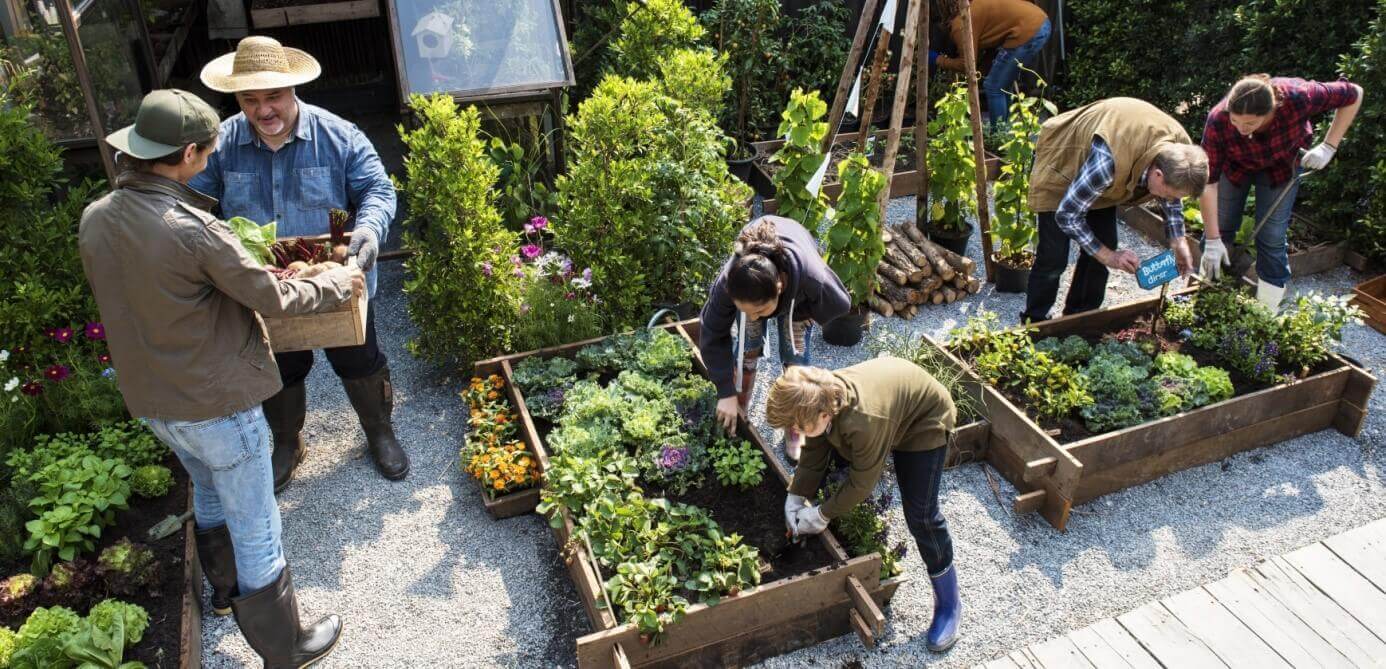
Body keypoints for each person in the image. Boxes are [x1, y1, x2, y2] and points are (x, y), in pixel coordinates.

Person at [79, 89, 356, 667]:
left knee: (206, 489)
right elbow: (273, 295)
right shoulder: (191, 228)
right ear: (185, 155)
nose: (212, 155)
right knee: (257, 521)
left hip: (156, 402)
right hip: (217, 403)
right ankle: (287, 646)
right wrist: (337, 283)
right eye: (206, 150)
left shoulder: (97, 217)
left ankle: (225, 594)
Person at [190, 36, 407, 488]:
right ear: (237, 99)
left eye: (273, 97)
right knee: (278, 367)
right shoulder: (221, 144)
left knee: (359, 359)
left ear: (292, 90)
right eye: (250, 100)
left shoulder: (338, 135)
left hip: (334, 275)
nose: (263, 110)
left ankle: (379, 430)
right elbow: (194, 203)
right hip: (264, 282)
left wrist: (366, 232)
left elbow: (378, 191)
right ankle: (288, 441)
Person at [767, 359, 960, 652]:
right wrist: (795, 495)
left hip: (925, 421)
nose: (795, 430)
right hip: (891, 409)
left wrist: (822, 514)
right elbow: (814, 453)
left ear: (823, 414)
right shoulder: (821, 403)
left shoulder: (865, 421)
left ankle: (949, 605)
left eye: (797, 424)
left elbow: (862, 484)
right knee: (833, 463)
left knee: (921, 516)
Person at [1022, 97, 1208, 323]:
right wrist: (1109, 256)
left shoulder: (1179, 152)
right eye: (1168, 195)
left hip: (1102, 181)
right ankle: (1035, 322)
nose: (1169, 201)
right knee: (1054, 258)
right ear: (1157, 175)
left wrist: (1179, 242)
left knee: (1104, 244)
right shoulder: (1108, 161)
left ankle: (1080, 318)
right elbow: (1067, 215)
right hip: (1063, 167)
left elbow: (1172, 197)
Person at [1197, 75, 1364, 308]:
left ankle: (1266, 313)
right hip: (1233, 167)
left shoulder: (1299, 97)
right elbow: (1208, 182)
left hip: (1280, 168)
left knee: (1272, 236)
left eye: (1250, 124)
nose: (1241, 130)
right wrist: (1213, 240)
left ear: (1271, 111)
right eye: (1235, 122)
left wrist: (1329, 146)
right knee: (1220, 225)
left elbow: (1354, 93)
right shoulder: (1218, 119)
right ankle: (1207, 297)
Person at [699, 216, 851, 462]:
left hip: (796, 296)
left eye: (759, 311)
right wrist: (724, 391)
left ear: (779, 288)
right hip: (760, 281)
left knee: (795, 361)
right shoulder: (729, 283)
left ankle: (796, 424)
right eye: (745, 310)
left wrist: (803, 312)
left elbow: (841, 303)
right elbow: (711, 332)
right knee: (748, 349)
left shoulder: (811, 278)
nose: (753, 317)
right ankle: (738, 405)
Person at [929, 0, 1051, 128]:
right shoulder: (974, 6)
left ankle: (997, 136)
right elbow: (990, 46)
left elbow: (966, 65)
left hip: (1028, 30)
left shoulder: (961, 22)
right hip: (1039, 21)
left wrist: (937, 59)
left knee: (993, 87)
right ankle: (1004, 133)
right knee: (1003, 86)